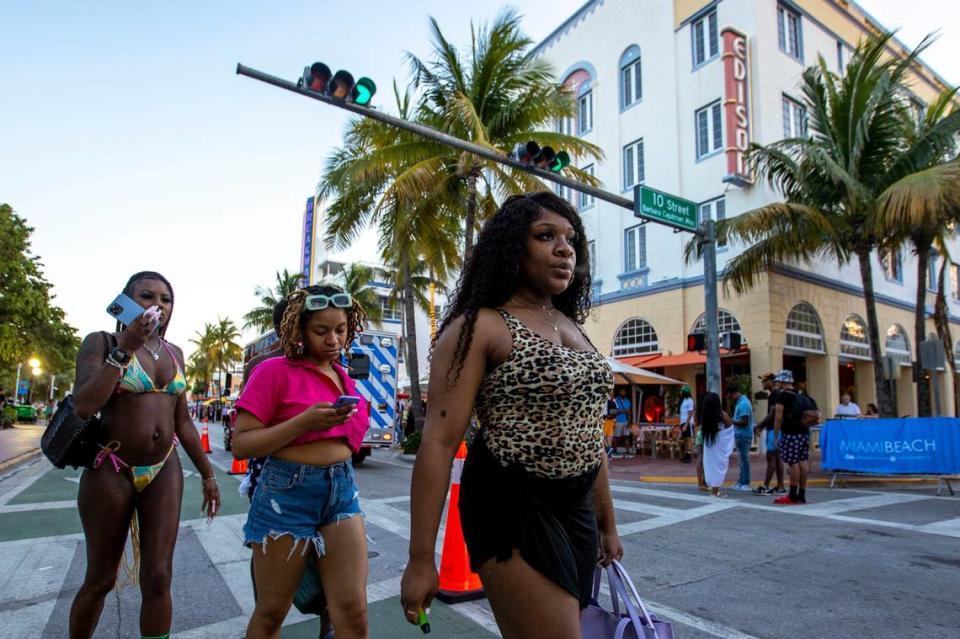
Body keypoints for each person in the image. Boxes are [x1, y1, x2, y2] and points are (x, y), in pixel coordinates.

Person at [400, 192, 623, 638]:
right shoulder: (480, 325)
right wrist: (422, 559)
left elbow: (587, 430)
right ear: (511, 249)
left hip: (575, 508)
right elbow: (440, 443)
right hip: (510, 503)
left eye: (571, 240)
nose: (565, 249)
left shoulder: (569, 323)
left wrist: (607, 524)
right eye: (546, 237)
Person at [69, 271, 220, 639]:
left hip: (163, 467)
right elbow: (85, 406)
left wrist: (208, 475)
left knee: (159, 576)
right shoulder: (101, 342)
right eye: (147, 295)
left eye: (166, 299)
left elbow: (183, 421)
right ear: (128, 301)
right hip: (112, 467)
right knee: (101, 578)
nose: (159, 304)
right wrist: (125, 349)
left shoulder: (175, 353)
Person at [232, 284, 369, 639]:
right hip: (286, 492)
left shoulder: (343, 375)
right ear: (299, 330)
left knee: (352, 613)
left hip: (341, 490)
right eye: (321, 331)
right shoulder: (273, 371)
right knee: (271, 613)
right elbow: (242, 444)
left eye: (340, 329)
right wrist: (303, 423)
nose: (333, 340)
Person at [238, 296, 335, 639]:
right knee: (273, 584)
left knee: (329, 572)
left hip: (329, 484)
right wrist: (304, 424)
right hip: (273, 478)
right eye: (316, 326)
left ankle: (327, 621)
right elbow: (247, 436)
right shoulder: (267, 366)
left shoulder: (328, 363)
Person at [772, 369, 818, 505]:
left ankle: (791, 495)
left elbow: (778, 418)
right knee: (803, 462)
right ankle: (801, 495)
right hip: (804, 432)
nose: (778, 383)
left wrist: (775, 436)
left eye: (779, 381)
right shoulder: (802, 394)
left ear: (783, 381)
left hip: (791, 433)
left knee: (793, 464)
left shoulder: (782, 396)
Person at [753, 373, 786, 495]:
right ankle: (780, 486)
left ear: (772, 381)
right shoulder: (776, 394)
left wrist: (759, 425)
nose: (762, 384)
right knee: (777, 459)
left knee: (771, 457)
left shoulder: (774, 394)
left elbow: (772, 413)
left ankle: (766, 485)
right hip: (776, 429)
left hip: (774, 430)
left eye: (764, 381)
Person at [700, 392, 734, 497]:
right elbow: (730, 428)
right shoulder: (722, 414)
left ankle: (714, 489)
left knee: (710, 465)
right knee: (719, 465)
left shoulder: (705, 415)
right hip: (719, 444)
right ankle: (716, 490)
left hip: (710, 444)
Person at [727, 384, 754, 491]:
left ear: (734, 393)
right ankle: (741, 481)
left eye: (730, 396)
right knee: (741, 460)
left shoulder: (743, 404)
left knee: (744, 459)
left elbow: (744, 421)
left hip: (743, 435)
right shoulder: (740, 403)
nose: (730, 399)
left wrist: (731, 421)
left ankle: (745, 482)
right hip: (740, 435)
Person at [612, 387, 633, 459]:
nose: (623, 393)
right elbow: (612, 411)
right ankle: (615, 451)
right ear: (619, 393)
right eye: (621, 392)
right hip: (617, 421)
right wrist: (622, 411)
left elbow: (629, 412)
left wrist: (629, 421)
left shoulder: (628, 401)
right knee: (616, 437)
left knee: (626, 436)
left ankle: (627, 452)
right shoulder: (615, 400)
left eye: (624, 392)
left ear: (625, 393)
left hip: (625, 421)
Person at [678, 386, 695, 463]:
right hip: (682, 421)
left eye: (682, 391)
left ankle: (689, 455)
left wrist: (686, 424)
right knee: (684, 439)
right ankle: (685, 454)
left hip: (688, 422)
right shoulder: (683, 400)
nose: (681, 393)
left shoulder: (690, 401)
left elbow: (690, 413)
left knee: (689, 438)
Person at [603, 395, 617, 459]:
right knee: (609, 437)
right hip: (611, 421)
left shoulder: (602, 402)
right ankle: (609, 454)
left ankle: (608, 449)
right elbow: (614, 413)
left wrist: (606, 417)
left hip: (604, 421)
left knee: (601, 436)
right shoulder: (613, 402)